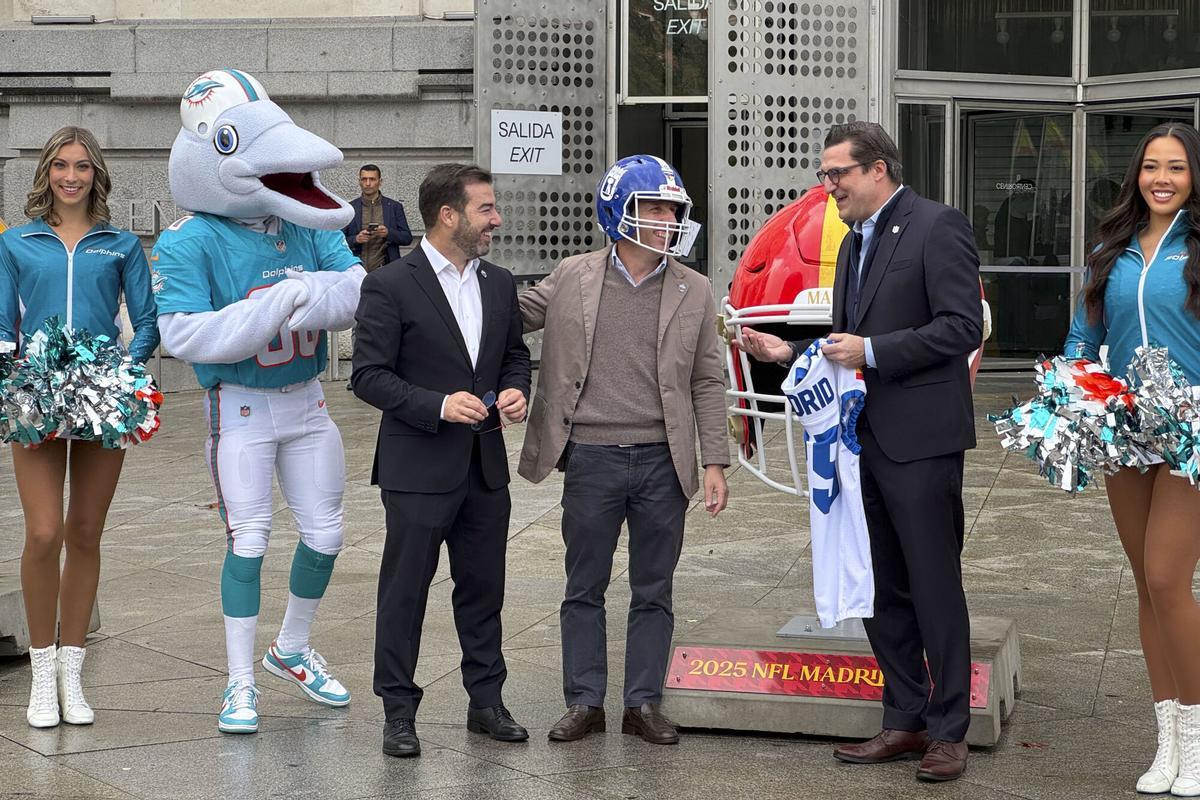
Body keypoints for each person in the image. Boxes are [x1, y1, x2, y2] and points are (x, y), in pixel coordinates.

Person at [740, 122, 982, 782]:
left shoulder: (938, 226)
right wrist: (789, 353)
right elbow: (844, 344)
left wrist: (874, 352)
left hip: (923, 443)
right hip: (861, 446)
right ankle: (903, 718)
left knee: (934, 587)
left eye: (837, 173)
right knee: (880, 587)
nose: (829, 186)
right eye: (825, 174)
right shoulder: (852, 244)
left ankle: (949, 731)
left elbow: (960, 327)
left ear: (879, 170)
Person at [151, 70, 364, 734]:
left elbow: (358, 288)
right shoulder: (191, 239)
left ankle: (291, 650)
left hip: (305, 399)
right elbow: (185, 334)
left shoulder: (300, 219)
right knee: (249, 539)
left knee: (327, 534)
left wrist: (310, 295)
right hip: (239, 404)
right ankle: (239, 682)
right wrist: (285, 300)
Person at [518, 154, 729, 746]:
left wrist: (713, 461)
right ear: (620, 211)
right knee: (582, 586)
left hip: (664, 460)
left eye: (673, 210)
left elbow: (707, 380)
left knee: (653, 588)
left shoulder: (694, 287)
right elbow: (505, 316)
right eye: (654, 208)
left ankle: (643, 702)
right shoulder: (572, 275)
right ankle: (584, 700)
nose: (666, 220)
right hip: (590, 456)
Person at [352, 163, 531, 758]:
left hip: (485, 468)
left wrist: (515, 389)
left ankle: (486, 702)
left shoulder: (500, 283)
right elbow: (368, 377)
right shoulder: (389, 285)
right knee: (404, 593)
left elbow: (513, 356)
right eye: (486, 208)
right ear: (448, 215)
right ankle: (398, 712)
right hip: (417, 469)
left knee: (484, 591)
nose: (496, 219)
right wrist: (436, 405)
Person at [0, 126, 159, 728]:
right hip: (36, 397)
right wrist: (13, 375)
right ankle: (42, 676)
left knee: (85, 532)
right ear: (46, 172)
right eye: (62, 165)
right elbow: (1, 323)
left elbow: (146, 323)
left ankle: (73, 670)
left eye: (83, 167)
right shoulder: (16, 243)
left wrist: (117, 370)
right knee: (43, 533)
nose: (72, 176)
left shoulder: (120, 245)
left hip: (101, 401)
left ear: (97, 175)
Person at [1064, 122, 1200, 796]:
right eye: (1152, 166)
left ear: (1193, 175)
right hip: (1123, 428)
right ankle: (1166, 740)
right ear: (1135, 176)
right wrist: (1074, 386)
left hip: (1191, 432)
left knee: (1169, 577)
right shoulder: (1110, 250)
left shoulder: (1199, 249)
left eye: (1176, 167)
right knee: (1144, 586)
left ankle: (1199, 744)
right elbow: (1082, 336)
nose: (1163, 179)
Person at [343, 164, 413, 272]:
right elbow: (338, 241)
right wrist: (356, 239)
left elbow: (407, 238)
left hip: (386, 269)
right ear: (359, 182)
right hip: (356, 269)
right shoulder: (350, 208)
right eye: (364, 179)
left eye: (372, 179)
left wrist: (388, 233)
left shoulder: (394, 207)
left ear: (380, 182)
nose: (367, 183)